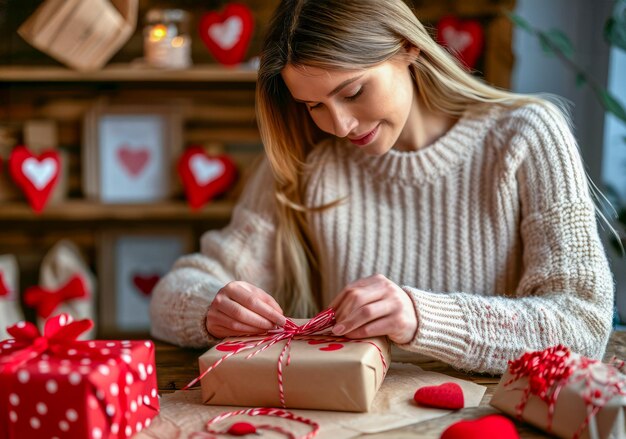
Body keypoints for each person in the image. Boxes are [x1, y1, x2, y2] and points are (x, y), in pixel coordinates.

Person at [150, 0, 615, 374]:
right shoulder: (305, 163)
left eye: (353, 92)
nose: (341, 124)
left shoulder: (526, 136)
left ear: (408, 47)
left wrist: (422, 317)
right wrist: (210, 308)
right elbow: (172, 293)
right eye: (314, 105)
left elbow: (583, 322)